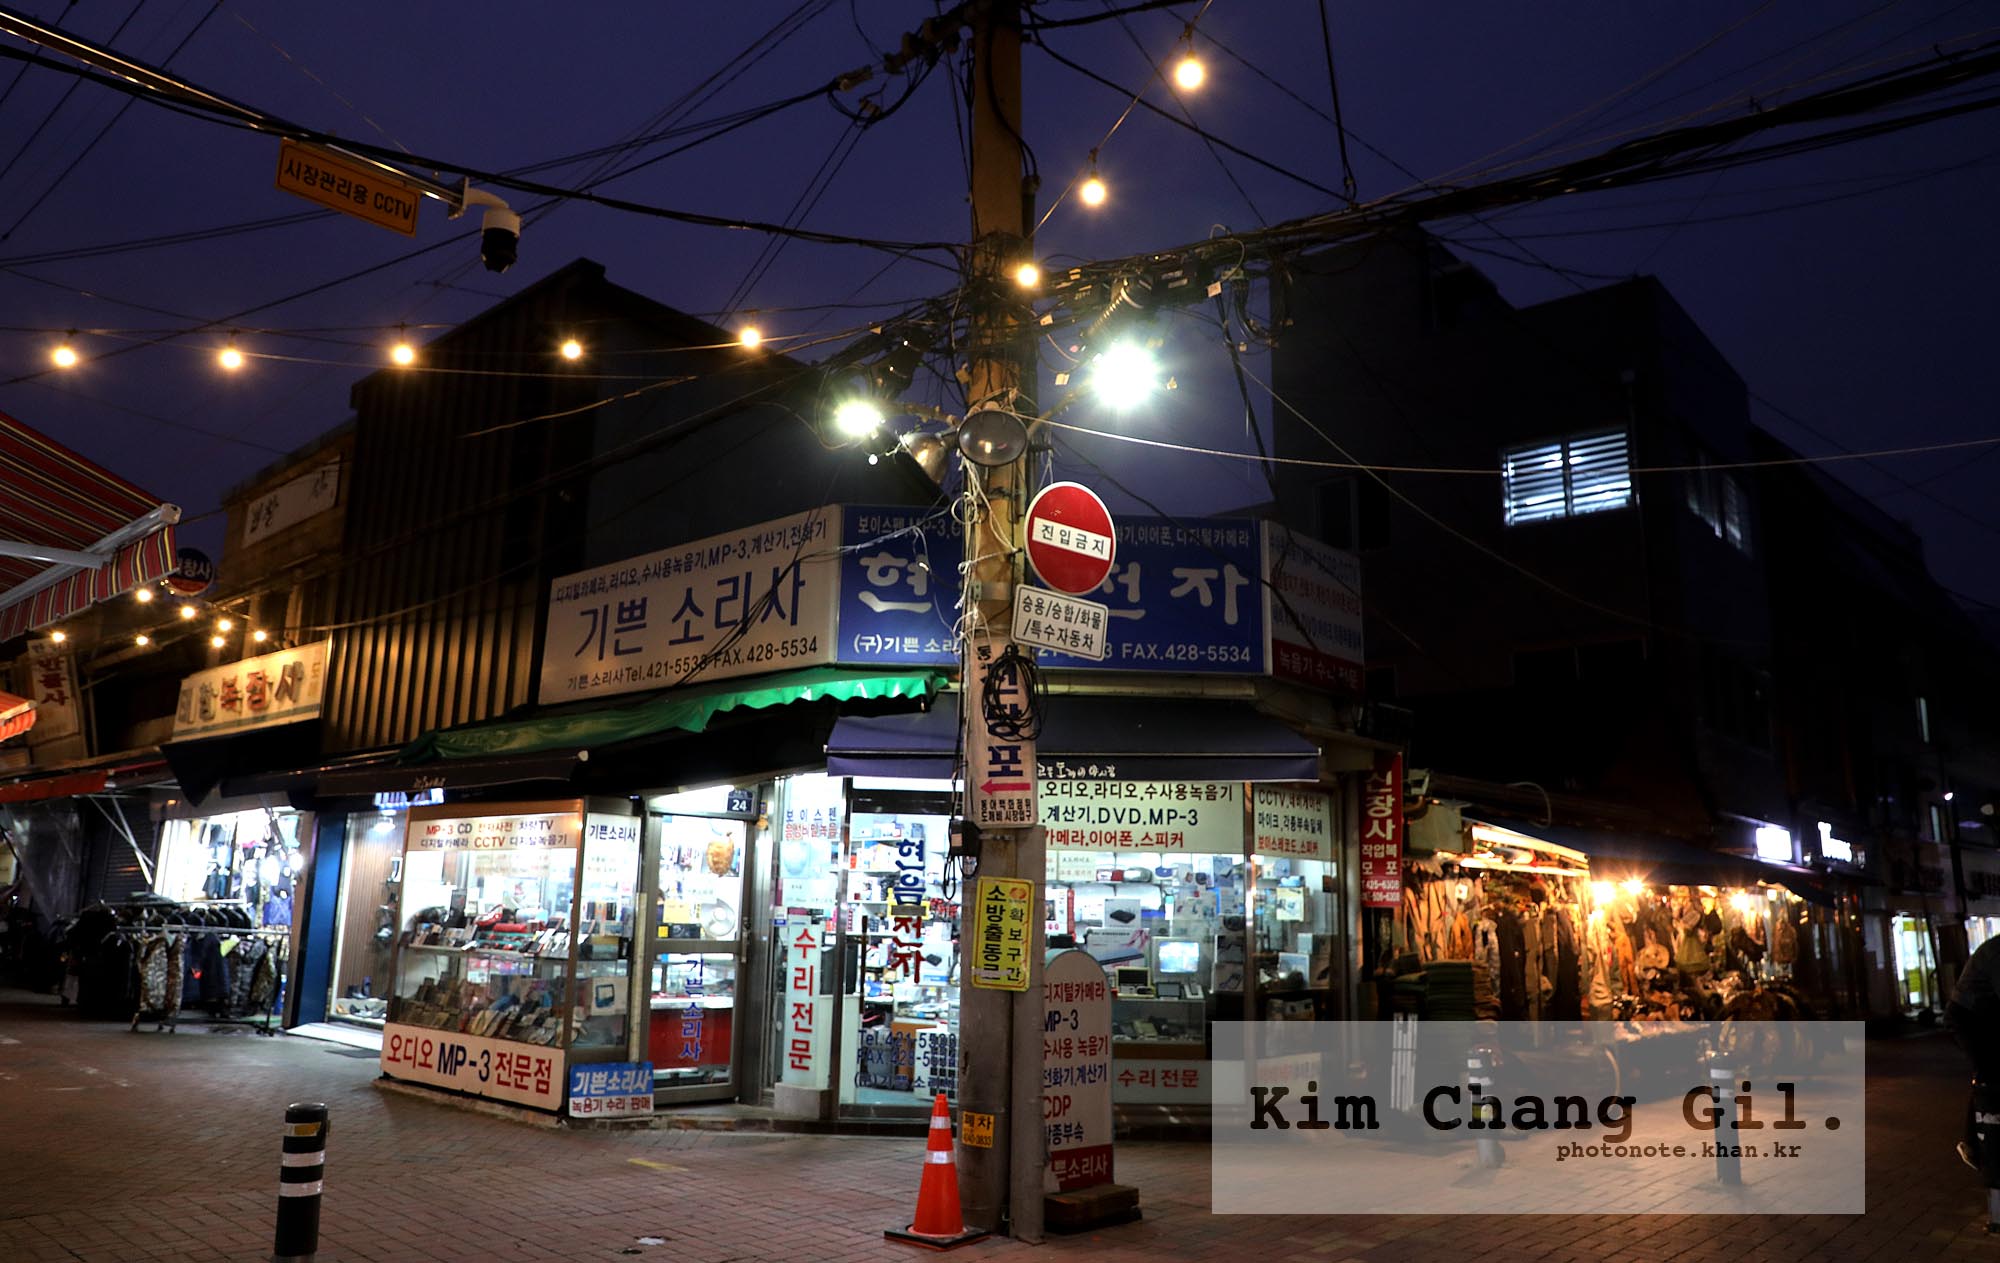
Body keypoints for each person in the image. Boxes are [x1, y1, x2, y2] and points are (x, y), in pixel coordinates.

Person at [1948, 935, 2000, 1168]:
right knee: (1988, 1069)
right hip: (1967, 1019)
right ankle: (1973, 1142)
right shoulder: (1997, 953)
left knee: (1990, 1070)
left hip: (1985, 1018)